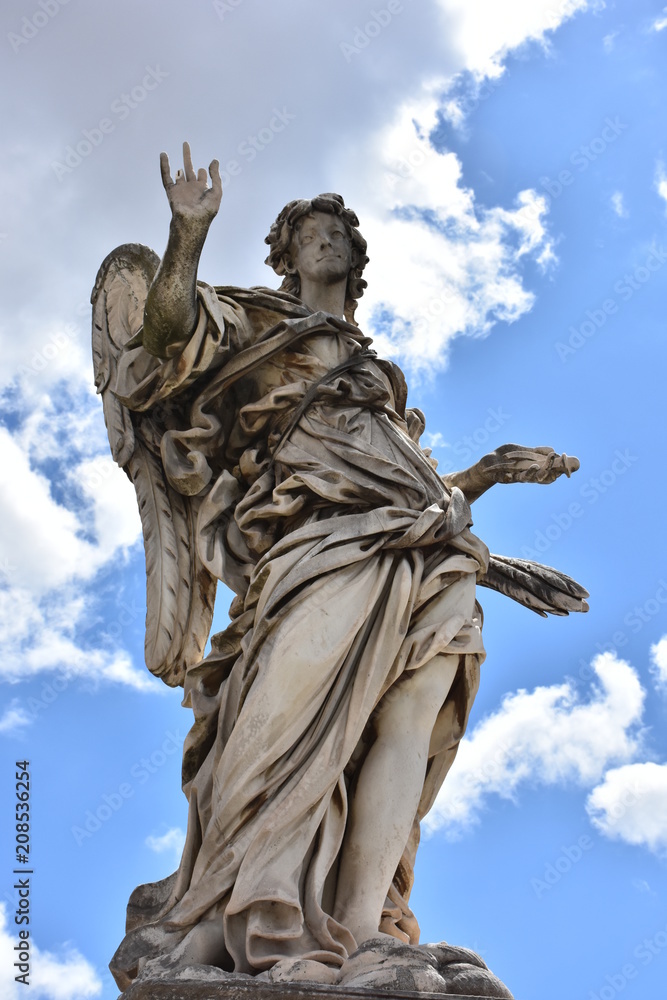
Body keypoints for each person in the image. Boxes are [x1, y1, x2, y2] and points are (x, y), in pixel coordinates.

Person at [103, 144, 584, 990]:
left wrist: (493, 499)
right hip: (312, 548)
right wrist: (187, 235)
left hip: (427, 560)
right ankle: (243, 912)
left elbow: (412, 491)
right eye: (311, 233)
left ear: (355, 261)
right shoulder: (252, 322)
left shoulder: (377, 381)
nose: (328, 243)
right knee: (283, 732)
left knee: (405, 721)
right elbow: (164, 339)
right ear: (285, 255)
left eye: (338, 235)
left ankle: (365, 928)